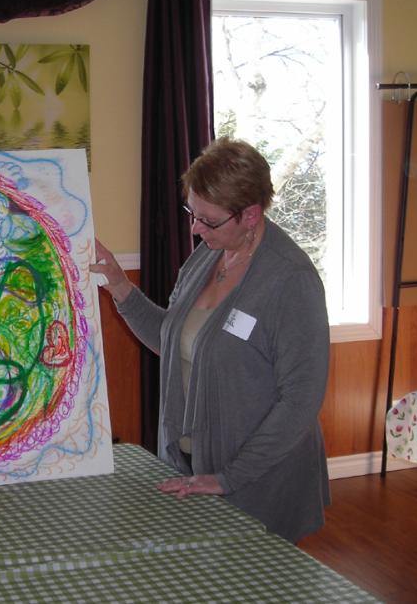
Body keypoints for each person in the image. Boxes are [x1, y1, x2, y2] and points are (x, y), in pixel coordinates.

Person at [91, 137, 330, 544]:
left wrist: (228, 478)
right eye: (192, 213)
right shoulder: (207, 256)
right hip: (196, 465)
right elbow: (174, 342)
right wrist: (119, 285)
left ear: (250, 214)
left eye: (209, 220)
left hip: (260, 479)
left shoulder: (291, 280)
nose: (195, 229)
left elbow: (300, 402)